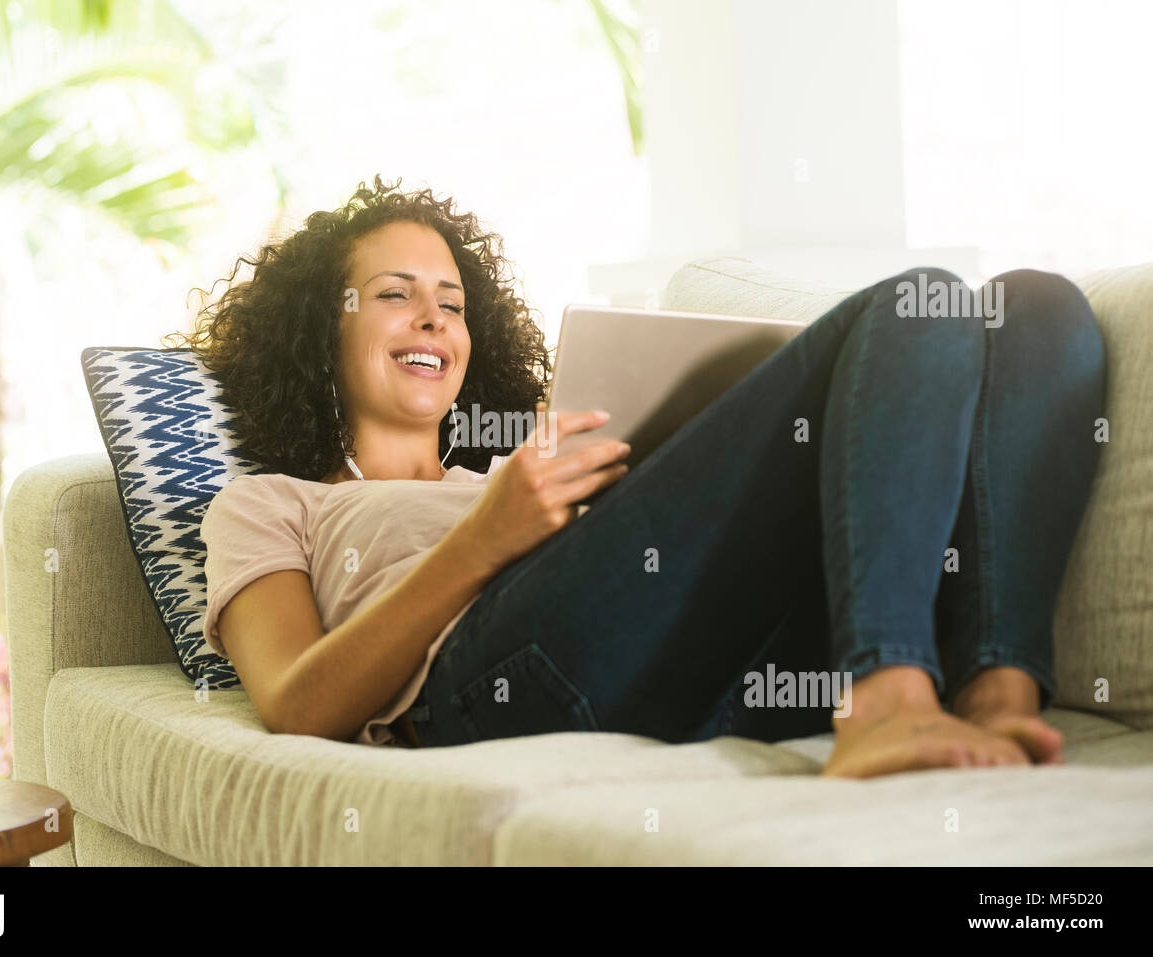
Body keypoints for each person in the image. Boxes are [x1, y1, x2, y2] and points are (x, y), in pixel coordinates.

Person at [175, 175, 1106, 778]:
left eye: (450, 305)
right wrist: (486, 536)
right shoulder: (269, 502)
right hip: (494, 685)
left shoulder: (512, 463)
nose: (432, 321)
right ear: (318, 331)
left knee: (1040, 310)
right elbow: (297, 701)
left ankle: (998, 695)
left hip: (701, 656)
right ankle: (889, 695)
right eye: (394, 296)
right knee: (922, 303)